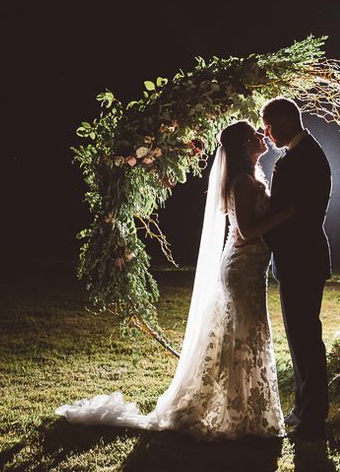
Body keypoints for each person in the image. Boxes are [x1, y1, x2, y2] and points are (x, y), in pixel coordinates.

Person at [55, 121, 294, 440]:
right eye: (254, 135)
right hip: (242, 268)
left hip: (250, 267)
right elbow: (249, 231)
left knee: (244, 334)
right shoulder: (241, 182)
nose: (262, 136)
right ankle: (241, 414)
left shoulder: (251, 177)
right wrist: (287, 214)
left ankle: (245, 408)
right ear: (242, 147)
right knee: (244, 333)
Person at [261, 98, 332, 441]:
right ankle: (305, 408)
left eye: (269, 125)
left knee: (306, 338)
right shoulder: (300, 154)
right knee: (300, 338)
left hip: (302, 258)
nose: (266, 133)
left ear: (287, 120)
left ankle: (313, 417)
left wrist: (262, 235)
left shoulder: (305, 158)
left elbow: (301, 213)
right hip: (298, 259)